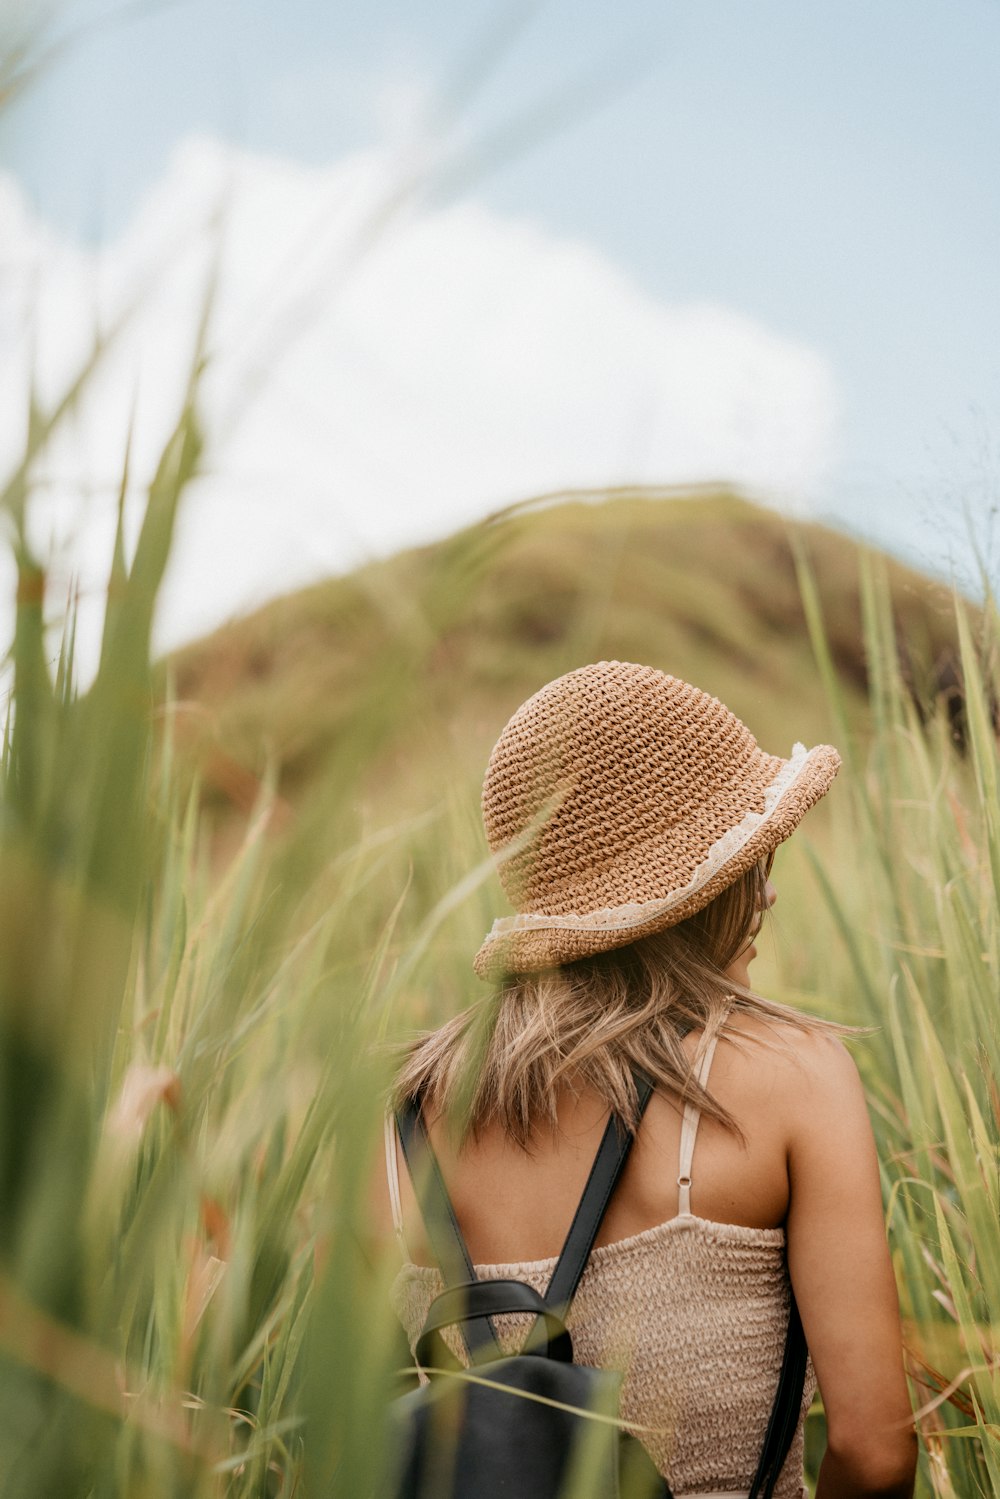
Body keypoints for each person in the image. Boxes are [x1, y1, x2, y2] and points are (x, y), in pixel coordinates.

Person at [374, 661, 917, 1499]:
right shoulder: (794, 1078)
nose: (767, 890)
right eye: (749, 856)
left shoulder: (400, 1116)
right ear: (691, 891)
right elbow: (874, 1453)